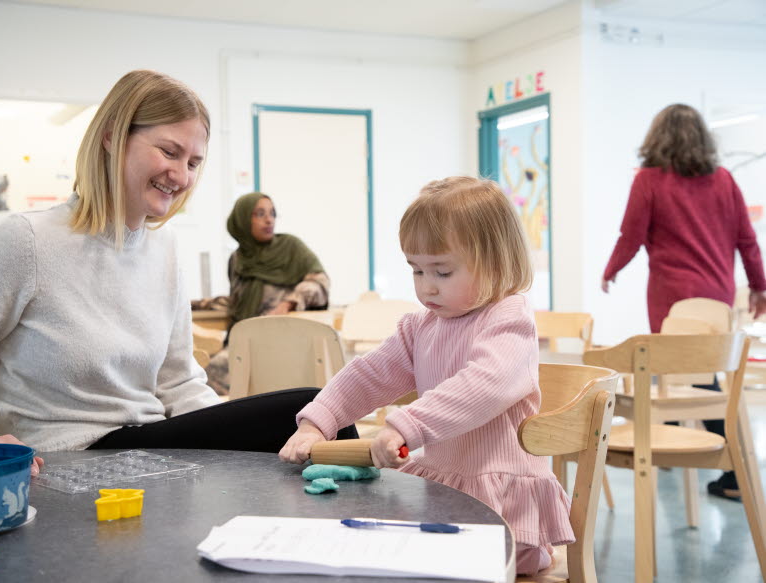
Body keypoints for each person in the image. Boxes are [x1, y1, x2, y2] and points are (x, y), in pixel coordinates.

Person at [0, 70, 341, 472]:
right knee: (308, 409)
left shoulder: (163, 249)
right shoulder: (25, 242)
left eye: (193, 163)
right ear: (112, 137)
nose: (181, 176)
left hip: (148, 453)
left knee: (319, 420)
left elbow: (179, 381)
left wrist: (223, 441)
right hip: (71, 457)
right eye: (169, 151)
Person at [279, 176, 572, 576]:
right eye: (416, 270)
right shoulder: (420, 327)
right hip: (445, 487)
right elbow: (369, 374)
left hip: (502, 499)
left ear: (496, 263)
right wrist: (318, 421)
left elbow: (484, 385)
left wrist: (407, 425)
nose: (426, 287)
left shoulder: (510, 318)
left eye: (442, 272)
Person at [601, 103, 766, 501]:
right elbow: (747, 239)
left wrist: (611, 269)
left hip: (673, 295)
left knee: (694, 379)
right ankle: (677, 444)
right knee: (697, 374)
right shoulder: (724, 180)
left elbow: (631, 235)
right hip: (716, 296)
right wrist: (759, 287)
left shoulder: (649, 180)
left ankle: (734, 471)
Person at [205, 192, 329, 394]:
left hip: (284, 340)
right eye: (260, 214)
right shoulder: (237, 260)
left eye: (272, 213)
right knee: (206, 374)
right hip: (246, 342)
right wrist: (203, 304)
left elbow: (320, 284)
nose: (269, 220)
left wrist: (288, 303)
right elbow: (241, 301)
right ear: (243, 220)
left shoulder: (291, 248)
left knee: (217, 374)